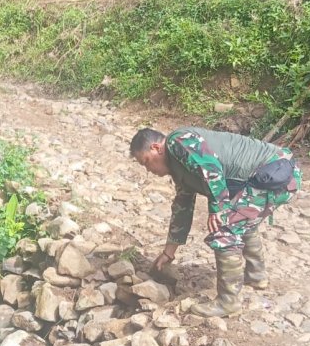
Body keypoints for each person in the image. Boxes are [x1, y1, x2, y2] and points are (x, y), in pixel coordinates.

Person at [129, 127, 301, 318]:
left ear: (156, 148)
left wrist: (217, 209)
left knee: (224, 229)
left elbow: (212, 170)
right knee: (241, 220)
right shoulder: (179, 168)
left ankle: (228, 302)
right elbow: (182, 209)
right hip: (270, 175)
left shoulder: (178, 142)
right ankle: (256, 276)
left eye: (146, 162)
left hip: (274, 173)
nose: (148, 170)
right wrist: (168, 253)